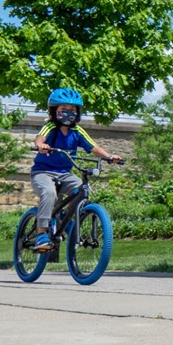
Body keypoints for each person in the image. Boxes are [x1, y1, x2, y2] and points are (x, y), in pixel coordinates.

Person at [30, 88, 122, 252]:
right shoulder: (50, 127)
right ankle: (41, 233)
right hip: (42, 172)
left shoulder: (77, 131)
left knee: (82, 189)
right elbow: (40, 137)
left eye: (72, 110)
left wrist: (108, 157)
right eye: (63, 110)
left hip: (65, 174)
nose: (68, 113)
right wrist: (40, 145)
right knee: (50, 193)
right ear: (54, 111)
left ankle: (65, 217)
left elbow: (93, 147)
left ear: (77, 113)